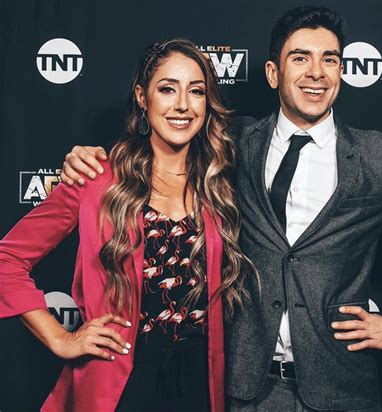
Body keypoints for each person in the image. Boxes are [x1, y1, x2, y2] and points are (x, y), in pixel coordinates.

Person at [60, 6, 382, 412]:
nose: (317, 72)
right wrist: (91, 158)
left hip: (341, 387)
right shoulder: (233, 142)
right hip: (246, 390)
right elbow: (164, 142)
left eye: (329, 59)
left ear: (341, 72)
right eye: (301, 58)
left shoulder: (379, 156)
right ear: (274, 73)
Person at [0, 38, 257, 412]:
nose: (182, 105)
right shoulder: (95, 179)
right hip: (118, 384)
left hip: (201, 385)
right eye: (167, 89)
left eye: (196, 91)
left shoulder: (222, 185)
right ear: (142, 97)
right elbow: (7, 260)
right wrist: (60, 339)